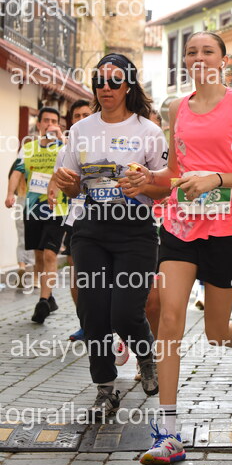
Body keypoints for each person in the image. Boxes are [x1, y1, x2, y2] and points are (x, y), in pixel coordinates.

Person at [126, 31, 232, 465]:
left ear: (223, 61)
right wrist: (148, 181)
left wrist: (217, 178)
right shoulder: (177, 107)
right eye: (191, 51)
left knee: (215, 331)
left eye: (208, 51)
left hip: (230, 229)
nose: (199, 57)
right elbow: (175, 173)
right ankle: (168, 434)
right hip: (181, 224)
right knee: (170, 320)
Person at [53, 53, 169, 420]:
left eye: (115, 81)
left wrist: (145, 183)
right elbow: (72, 186)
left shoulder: (148, 131)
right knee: (93, 311)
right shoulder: (80, 130)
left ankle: (146, 355)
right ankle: (105, 388)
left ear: (128, 86)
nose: (106, 87)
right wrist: (67, 185)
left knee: (124, 313)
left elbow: (166, 187)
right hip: (91, 229)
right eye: (100, 81)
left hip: (135, 231)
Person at [5, 107, 68, 323]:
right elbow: (17, 172)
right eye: (46, 121)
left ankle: (42, 302)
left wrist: (61, 139)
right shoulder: (28, 148)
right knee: (39, 256)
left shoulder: (63, 147)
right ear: (39, 124)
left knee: (50, 254)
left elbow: (75, 161)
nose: (50, 124)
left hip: (57, 208)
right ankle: (48, 297)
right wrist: (10, 194)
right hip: (33, 209)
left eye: (54, 121)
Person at [48, 99, 93, 342]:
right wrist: (53, 192)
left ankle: (109, 322)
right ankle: (85, 324)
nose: (81, 119)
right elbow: (58, 178)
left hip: (108, 218)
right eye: (76, 116)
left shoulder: (108, 144)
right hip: (76, 218)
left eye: (86, 114)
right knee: (77, 273)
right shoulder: (65, 151)